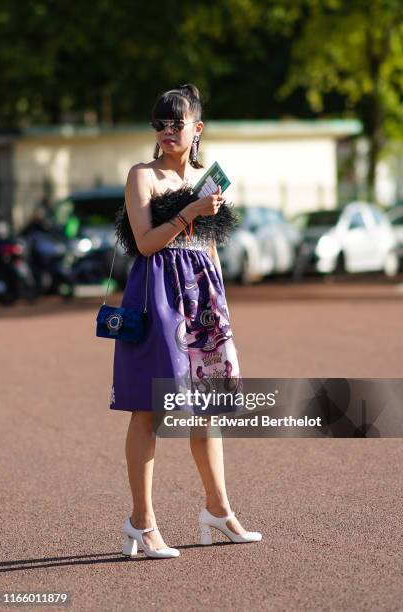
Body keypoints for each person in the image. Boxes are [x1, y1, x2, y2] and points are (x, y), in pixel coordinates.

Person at [110, 83, 262, 559]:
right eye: (159, 122)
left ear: (197, 128)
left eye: (177, 122)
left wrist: (220, 306)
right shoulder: (143, 176)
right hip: (156, 295)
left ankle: (218, 510)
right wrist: (190, 212)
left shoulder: (206, 179)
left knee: (210, 404)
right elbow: (145, 243)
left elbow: (211, 247)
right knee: (148, 408)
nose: (167, 131)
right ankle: (142, 522)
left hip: (202, 298)